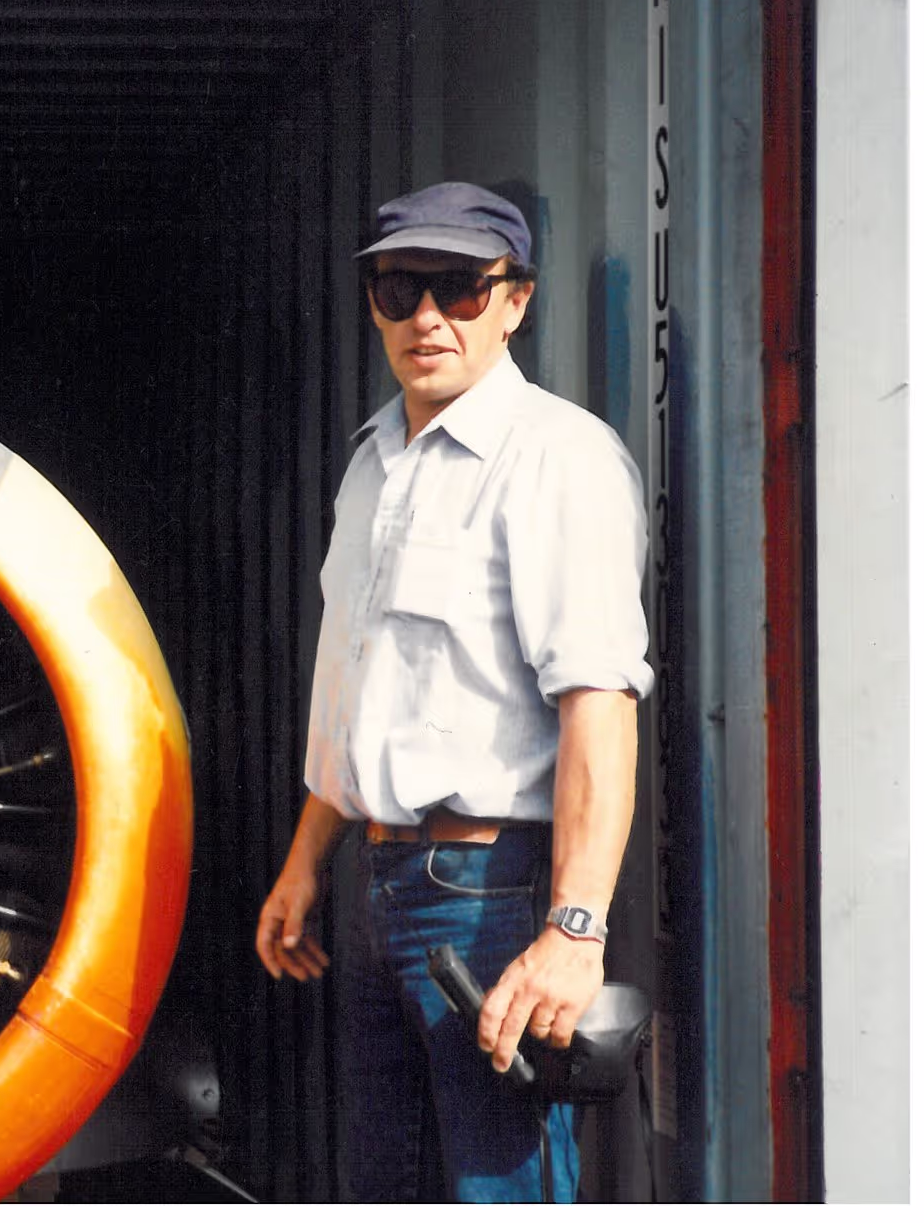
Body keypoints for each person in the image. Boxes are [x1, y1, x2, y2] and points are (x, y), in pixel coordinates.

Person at [252, 182, 653, 1203]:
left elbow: (598, 704)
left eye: (461, 290)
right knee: (386, 1186)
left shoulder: (555, 460)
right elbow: (366, 697)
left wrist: (572, 932)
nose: (428, 316)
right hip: (380, 885)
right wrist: (306, 863)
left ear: (515, 301)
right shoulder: (372, 465)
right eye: (400, 288)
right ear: (375, 303)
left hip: (489, 894)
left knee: (496, 1189)